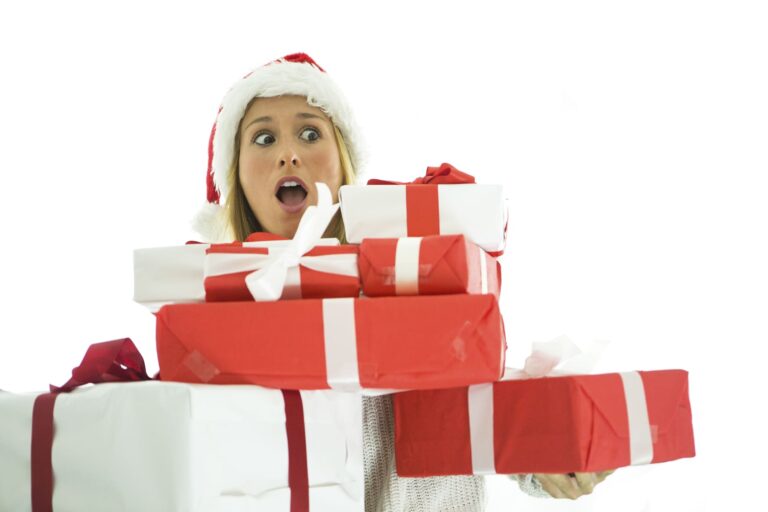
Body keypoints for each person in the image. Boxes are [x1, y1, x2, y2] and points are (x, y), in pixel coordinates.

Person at [192, 52, 613, 510]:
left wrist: (551, 453)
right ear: (235, 175)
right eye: (264, 138)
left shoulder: (417, 270)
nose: (288, 153)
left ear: (343, 161)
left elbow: (478, 401)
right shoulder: (206, 317)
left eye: (310, 132)